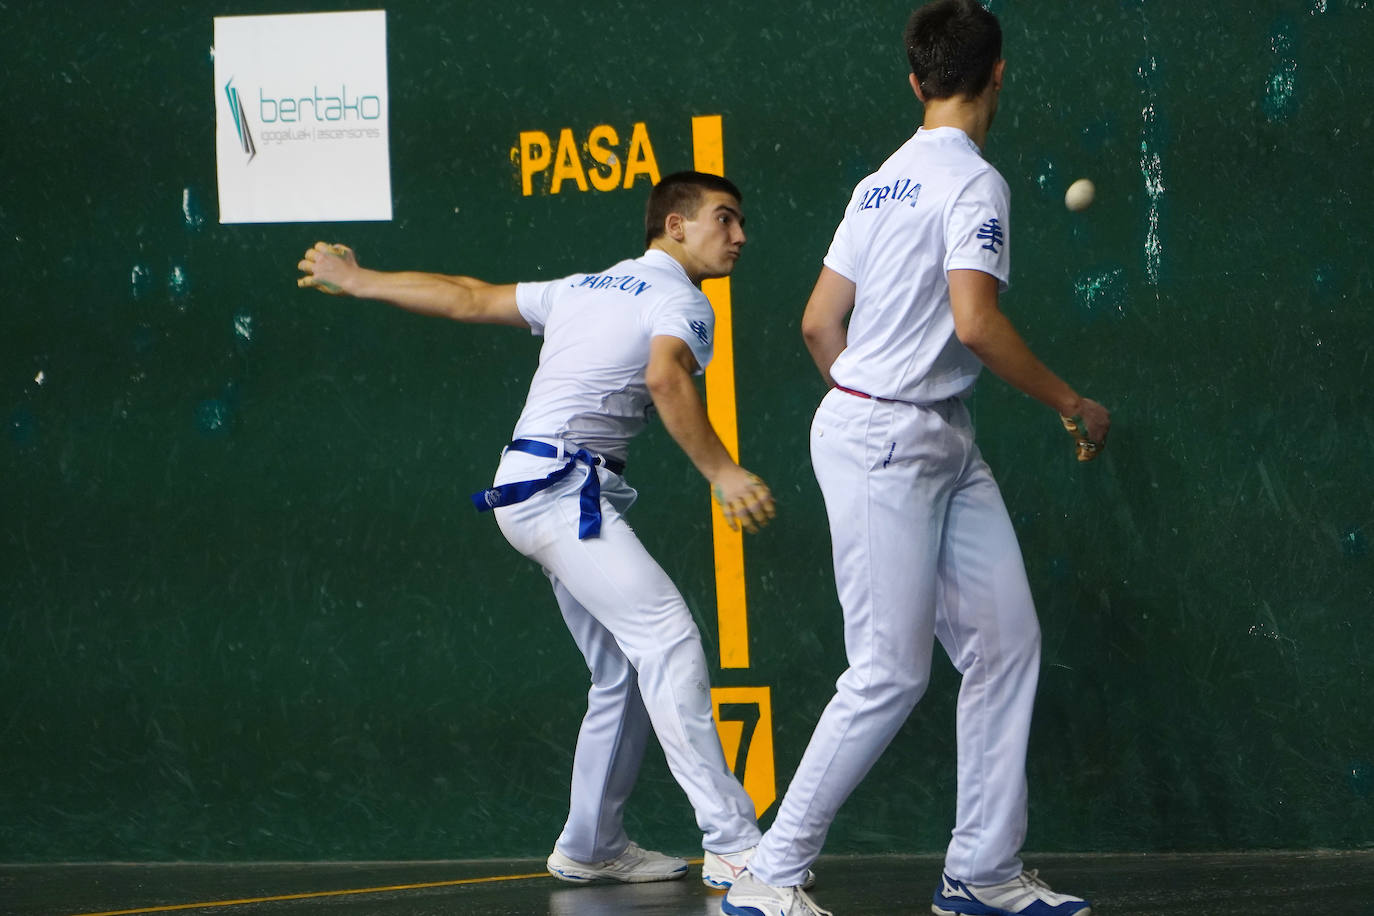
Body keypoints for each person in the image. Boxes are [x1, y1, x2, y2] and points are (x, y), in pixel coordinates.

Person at [722, 3, 1109, 915]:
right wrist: (1071, 402)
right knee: (889, 670)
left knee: (1007, 641)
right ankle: (768, 873)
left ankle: (980, 870)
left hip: (933, 437)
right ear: (999, 73)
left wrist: (867, 391)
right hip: (889, 440)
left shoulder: (877, 183)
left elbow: (821, 322)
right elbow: (973, 324)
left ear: (915, 81)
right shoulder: (972, 184)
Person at [296, 171, 778, 889]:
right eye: (725, 220)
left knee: (620, 669)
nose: (740, 237)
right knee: (667, 638)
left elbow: (468, 297)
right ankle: (736, 843)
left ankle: (591, 844)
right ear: (674, 227)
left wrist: (362, 280)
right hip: (560, 497)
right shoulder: (680, 299)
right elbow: (666, 379)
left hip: (535, 489)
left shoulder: (583, 286)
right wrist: (722, 472)